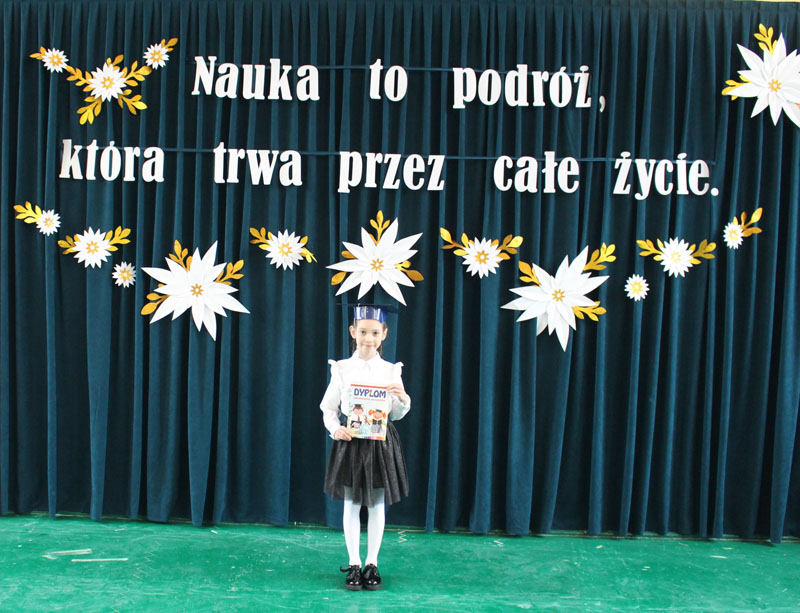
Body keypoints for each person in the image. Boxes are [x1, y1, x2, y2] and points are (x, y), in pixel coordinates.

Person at [320, 304, 411, 591]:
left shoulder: (391, 370)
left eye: (374, 333)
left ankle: (372, 563)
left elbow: (396, 413)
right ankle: (354, 563)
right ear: (353, 332)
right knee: (351, 502)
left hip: (380, 444)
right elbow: (328, 408)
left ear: (384, 334)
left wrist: (403, 398)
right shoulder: (342, 369)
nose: (368, 338)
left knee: (376, 504)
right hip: (351, 443)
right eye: (363, 332)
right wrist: (336, 429)